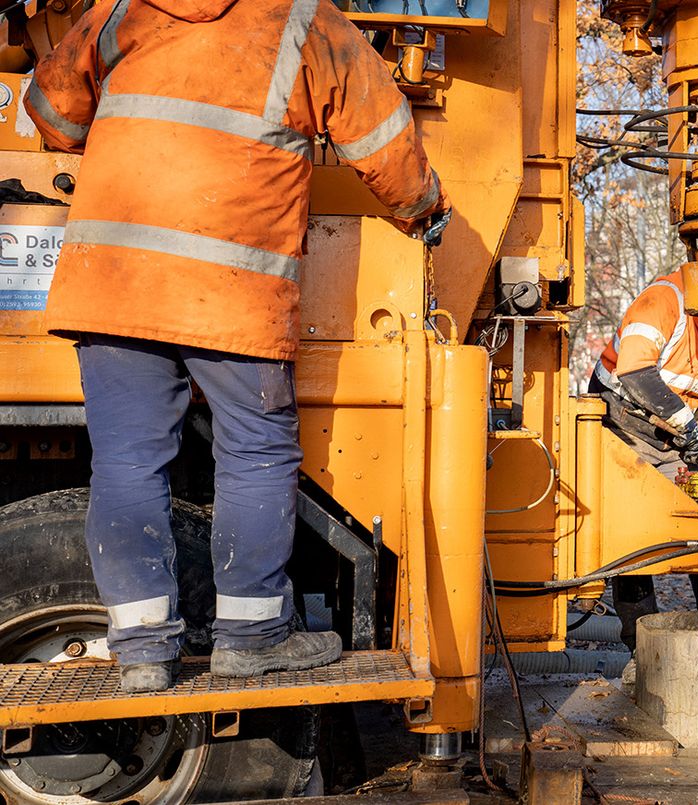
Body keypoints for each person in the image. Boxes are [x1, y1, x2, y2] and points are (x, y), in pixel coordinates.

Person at [25, 0, 448, 692]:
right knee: (255, 451)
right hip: (233, 290)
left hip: (116, 282)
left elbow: (53, 110)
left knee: (129, 458)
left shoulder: (125, 8)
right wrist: (426, 209)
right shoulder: (305, 21)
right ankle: (251, 636)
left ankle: (140, 653)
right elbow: (387, 147)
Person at [588, 269, 698, 654]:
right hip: (623, 423)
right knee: (635, 537)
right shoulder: (664, 299)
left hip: (666, 432)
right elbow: (635, 371)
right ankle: (641, 650)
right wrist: (689, 428)